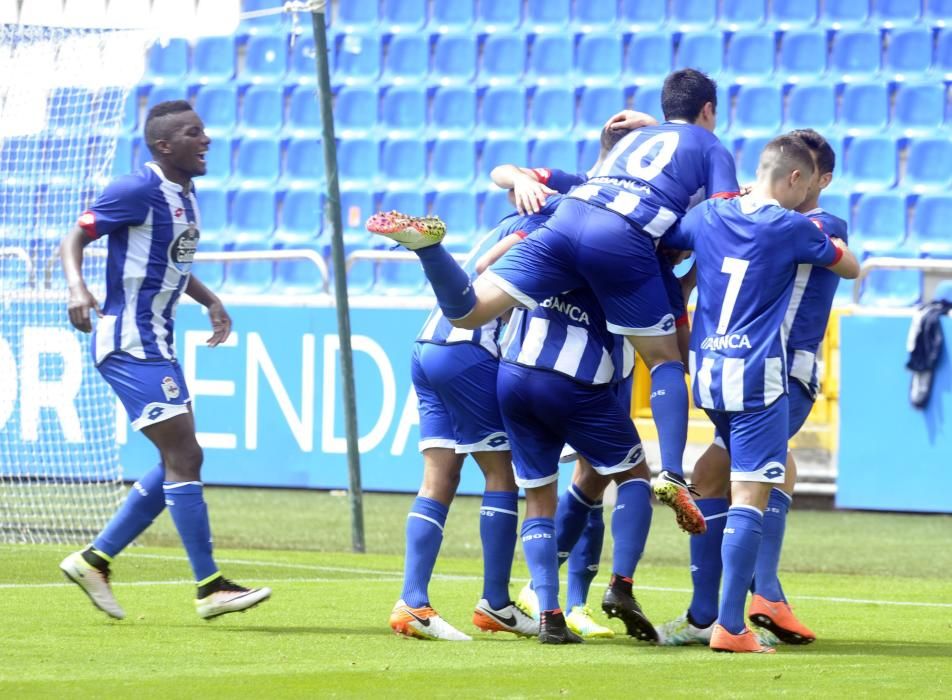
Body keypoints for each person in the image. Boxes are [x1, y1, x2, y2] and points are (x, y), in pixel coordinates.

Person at [368, 69, 742, 537]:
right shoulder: (710, 146)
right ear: (708, 111)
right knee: (664, 360)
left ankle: (428, 248)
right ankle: (669, 473)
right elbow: (725, 215)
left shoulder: (619, 153)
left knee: (468, 311)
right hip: (620, 239)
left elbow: (491, 245)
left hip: (569, 217)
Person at [58, 100, 270, 620]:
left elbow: (169, 260)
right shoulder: (135, 189)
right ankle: (210, 587)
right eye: (194, 133)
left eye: (204, 130)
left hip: (157, 339)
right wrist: (77, 287)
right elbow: (75, 237)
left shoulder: (186, 195)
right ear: (164, 145)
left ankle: (94, 559)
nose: (207, 140)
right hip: (129, 341)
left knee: (178, 461)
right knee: (186, 457)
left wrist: (210, 299)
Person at [661, 134, 859, 653]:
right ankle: (738, 608)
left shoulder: (819, 223)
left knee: (740, 474)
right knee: (730, 474)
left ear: (819, 180)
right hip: (752, 372)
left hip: (778, 373)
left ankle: (737, 607)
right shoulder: (774, 220)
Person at [387, 212, 544, 642]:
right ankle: (495, 602)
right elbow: (490, 265)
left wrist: (515, 176)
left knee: (439, 477)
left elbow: (509, 179)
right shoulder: (550, 222)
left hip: (427, 345)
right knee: (500, 472)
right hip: (468, 348)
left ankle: (412, 601)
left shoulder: (514, 215)